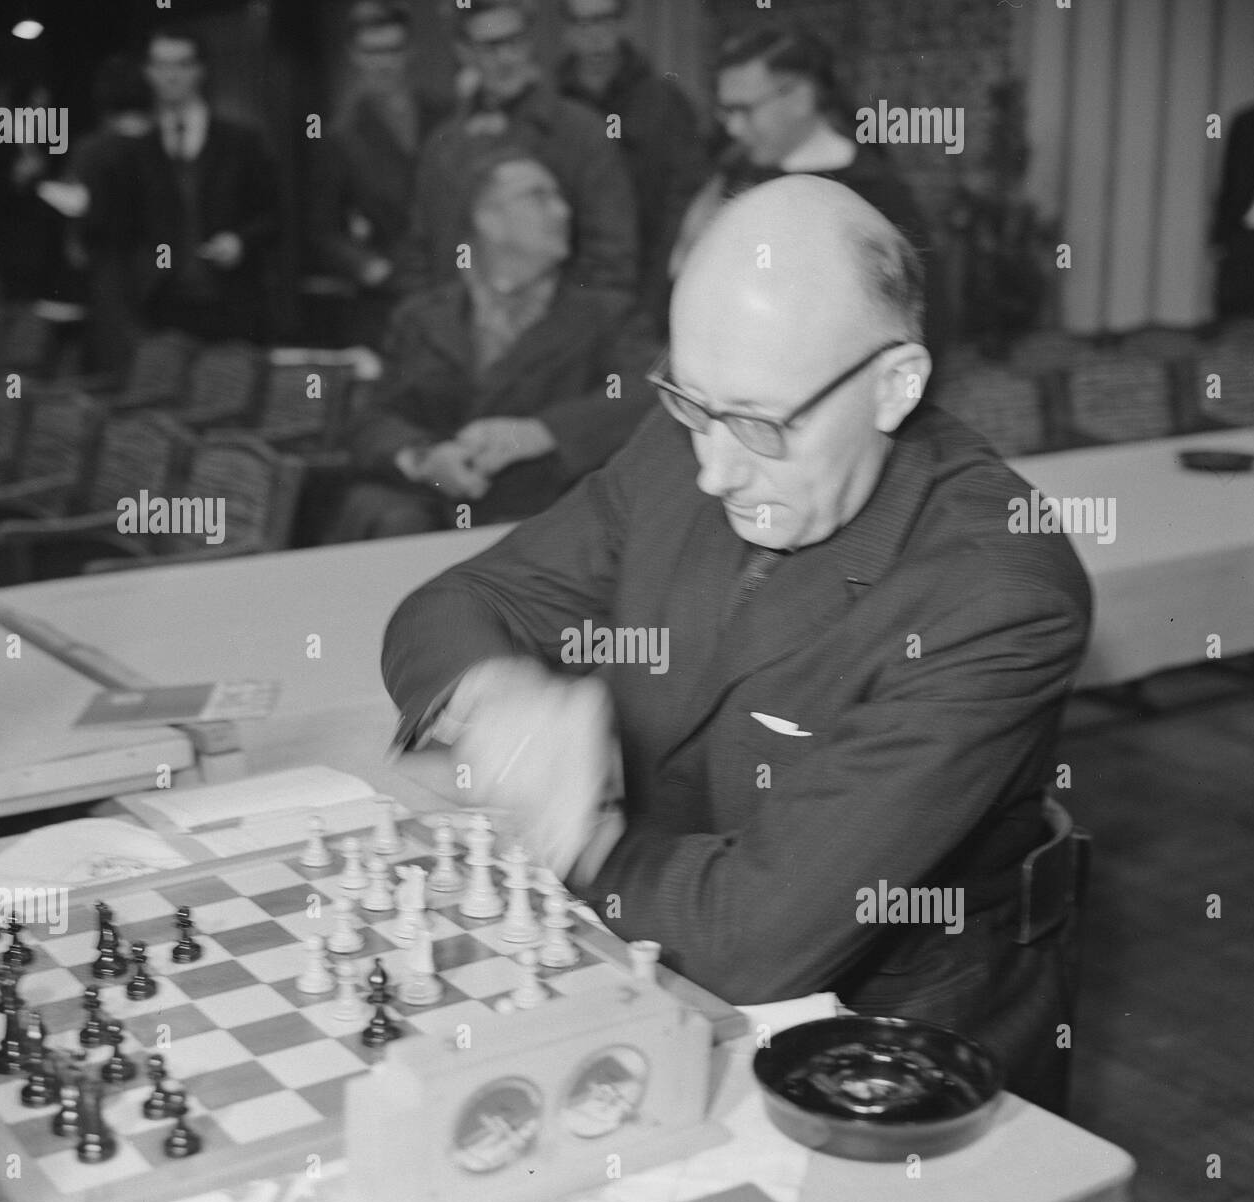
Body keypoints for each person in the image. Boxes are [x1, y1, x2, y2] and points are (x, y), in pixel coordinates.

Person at [380, 177, 1092, 1114]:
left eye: (759, 424)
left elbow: (756, 937)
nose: (714, 467)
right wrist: (498, 695)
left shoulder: (997, 592)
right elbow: (453, 604)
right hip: (651, 966)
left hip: (893, 1030)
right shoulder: (689, 441)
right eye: (689, 403)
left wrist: (569, 825)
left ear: (896, 385)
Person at [326, 146, 657, 541]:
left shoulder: (605, 316)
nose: (563, 211)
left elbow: (648, 393)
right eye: (539, 197)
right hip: (428, 522)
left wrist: (540, 432)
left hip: (552, 533)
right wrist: (425, 459)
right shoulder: (422, 318)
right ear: (488, 220)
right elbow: (371, 420)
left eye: (560, 197)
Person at [671, 25, 948, 356]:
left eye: (744, 110)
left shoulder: (875, 191)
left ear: (800, 98)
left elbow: (920, 319)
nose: (732, 127)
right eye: (726, 112)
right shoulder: (735, 172)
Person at [402, 0, 637, 296]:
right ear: (465, 53)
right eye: (490, 47)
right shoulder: (444, 146)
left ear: (530, 42)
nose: (506, 59)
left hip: (556, 331)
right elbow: (421, 256)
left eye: (515, 41)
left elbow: (610, 257)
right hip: (457, 332)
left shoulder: (581, 133)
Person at [555, 0, 709, 326]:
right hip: (566, 293)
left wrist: (657, 295)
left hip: (648, 287)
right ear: (567, 30)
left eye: (604, 21)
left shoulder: (664, 103)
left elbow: (684, 203)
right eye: (583, 24)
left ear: (624, 23)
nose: (595, 36)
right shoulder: (550, 107)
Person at [308, 2, 448, 348]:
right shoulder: (342, 137)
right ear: (354, 55)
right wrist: (369, 268)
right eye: (372, 52)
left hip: (452, 285)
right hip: (390, 297)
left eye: (393, 50)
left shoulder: (446, 114)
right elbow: (323, 229)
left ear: (411, 50)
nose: (384, 63)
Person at [137, 30, 280, 341]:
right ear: (148, 72)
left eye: (182, 64)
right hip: (162, 306)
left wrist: (241, 241)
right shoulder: (139, 149)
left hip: (233, 303)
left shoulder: (241, 141)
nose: (171, 76)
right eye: (162, 66)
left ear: (200, 69)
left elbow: (274, 214)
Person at [58, 56, 157, 374]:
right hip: (163, 262)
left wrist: (76, 239)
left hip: (110, 264)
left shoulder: (92, 150)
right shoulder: (164, 142)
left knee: (118, 359)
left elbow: (78, 206)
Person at [1211, 22, 1254, 319]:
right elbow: (1229, 188)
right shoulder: (1247, 124)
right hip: (1247, 245)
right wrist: (1221, 243)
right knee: (1234, 338)